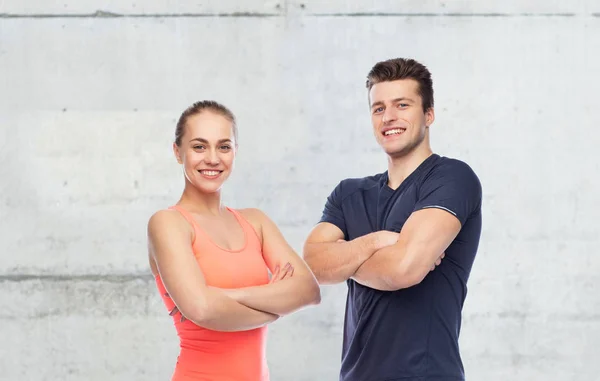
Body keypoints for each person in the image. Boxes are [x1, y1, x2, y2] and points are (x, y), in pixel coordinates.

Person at [303, 58, 483, 381]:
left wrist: (344, 257)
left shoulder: (452, 178)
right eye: (378, 108)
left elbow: (404, 269)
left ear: (429, 114)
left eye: (402, 105)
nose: (389, 117)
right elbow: (313, 264)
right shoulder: (348, 194)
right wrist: (378, 242)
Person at [147, 100, 321, 381]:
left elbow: (308, 290)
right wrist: (272, 306)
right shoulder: (168, 223)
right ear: (178, 152)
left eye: (224, 146)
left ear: (235, 152)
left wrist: (227, 296)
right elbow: (202, 309)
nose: (213, 158)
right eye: (199, 146)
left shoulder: (255, 221)